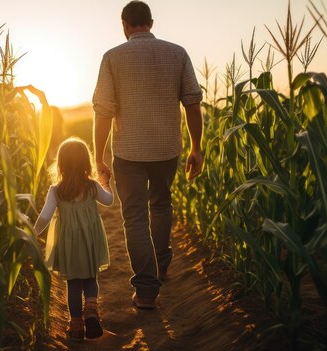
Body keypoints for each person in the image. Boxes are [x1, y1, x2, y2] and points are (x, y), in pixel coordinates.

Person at [92, 1, 204, 310]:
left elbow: (103, 112)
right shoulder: (177, 53)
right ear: (150, 23)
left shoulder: (112, 58)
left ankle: (145, 290)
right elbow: (192, 104)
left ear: (125, 25)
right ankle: (162, 265)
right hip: (166, 150)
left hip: (128, 153)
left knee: (135, 217)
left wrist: (99, 157)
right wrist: (196, 147)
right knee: (162, 203)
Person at [33, 137, 114, 340]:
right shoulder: (92, 187)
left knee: (74, 284)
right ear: (87, 163)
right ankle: (91, 310)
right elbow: (109, 201)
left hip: (69, 245)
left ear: (61, 164)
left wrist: (33, 233)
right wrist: (106, 184)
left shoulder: (56, 191)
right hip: (90, 241)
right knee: (90, 278)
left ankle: (76, 325)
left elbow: (45, 216)